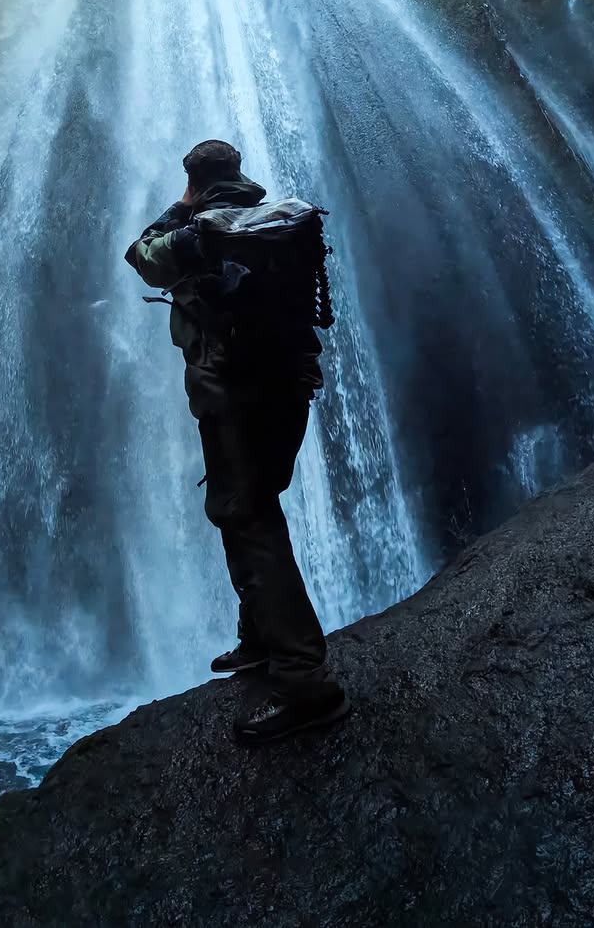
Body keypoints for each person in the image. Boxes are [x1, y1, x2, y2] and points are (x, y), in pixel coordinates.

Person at [124, 139, 349, 744]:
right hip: (290, 390)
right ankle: (259, 641)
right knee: (257, 503)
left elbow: (139, 256)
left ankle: (304, 679)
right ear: (239, 175)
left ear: (194, 182)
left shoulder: (199, 233)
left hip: (233, 399)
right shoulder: (279, 219)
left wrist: (180, 211)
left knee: (243, 513)